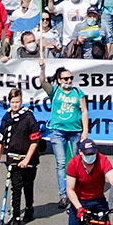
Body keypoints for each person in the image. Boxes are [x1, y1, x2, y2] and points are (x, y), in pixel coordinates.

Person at [0, 87, 43, 225]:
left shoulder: (28, 118)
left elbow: (35, 141)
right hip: (12, 159)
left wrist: (27, 160)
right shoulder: (7, 117)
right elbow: (0, 138)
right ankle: (15, 216)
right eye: (13, 102)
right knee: (16, 187)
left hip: (28, 159)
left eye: (18, 102)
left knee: (28, 186)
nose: (15, 105)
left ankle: (29, 208)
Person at [40, 63, 90, 198]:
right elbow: (42, 82)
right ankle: (64, 194)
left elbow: (84, 111)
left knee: (74, 162)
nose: (69, 81)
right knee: (61, 163)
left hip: (75, 131)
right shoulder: (55, 91)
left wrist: (85, 131)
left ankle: (74, 190)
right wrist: (42, 68)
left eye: (71, 78)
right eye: (66, 78)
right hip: (58, 131)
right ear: (59, 80)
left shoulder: (78, 92)